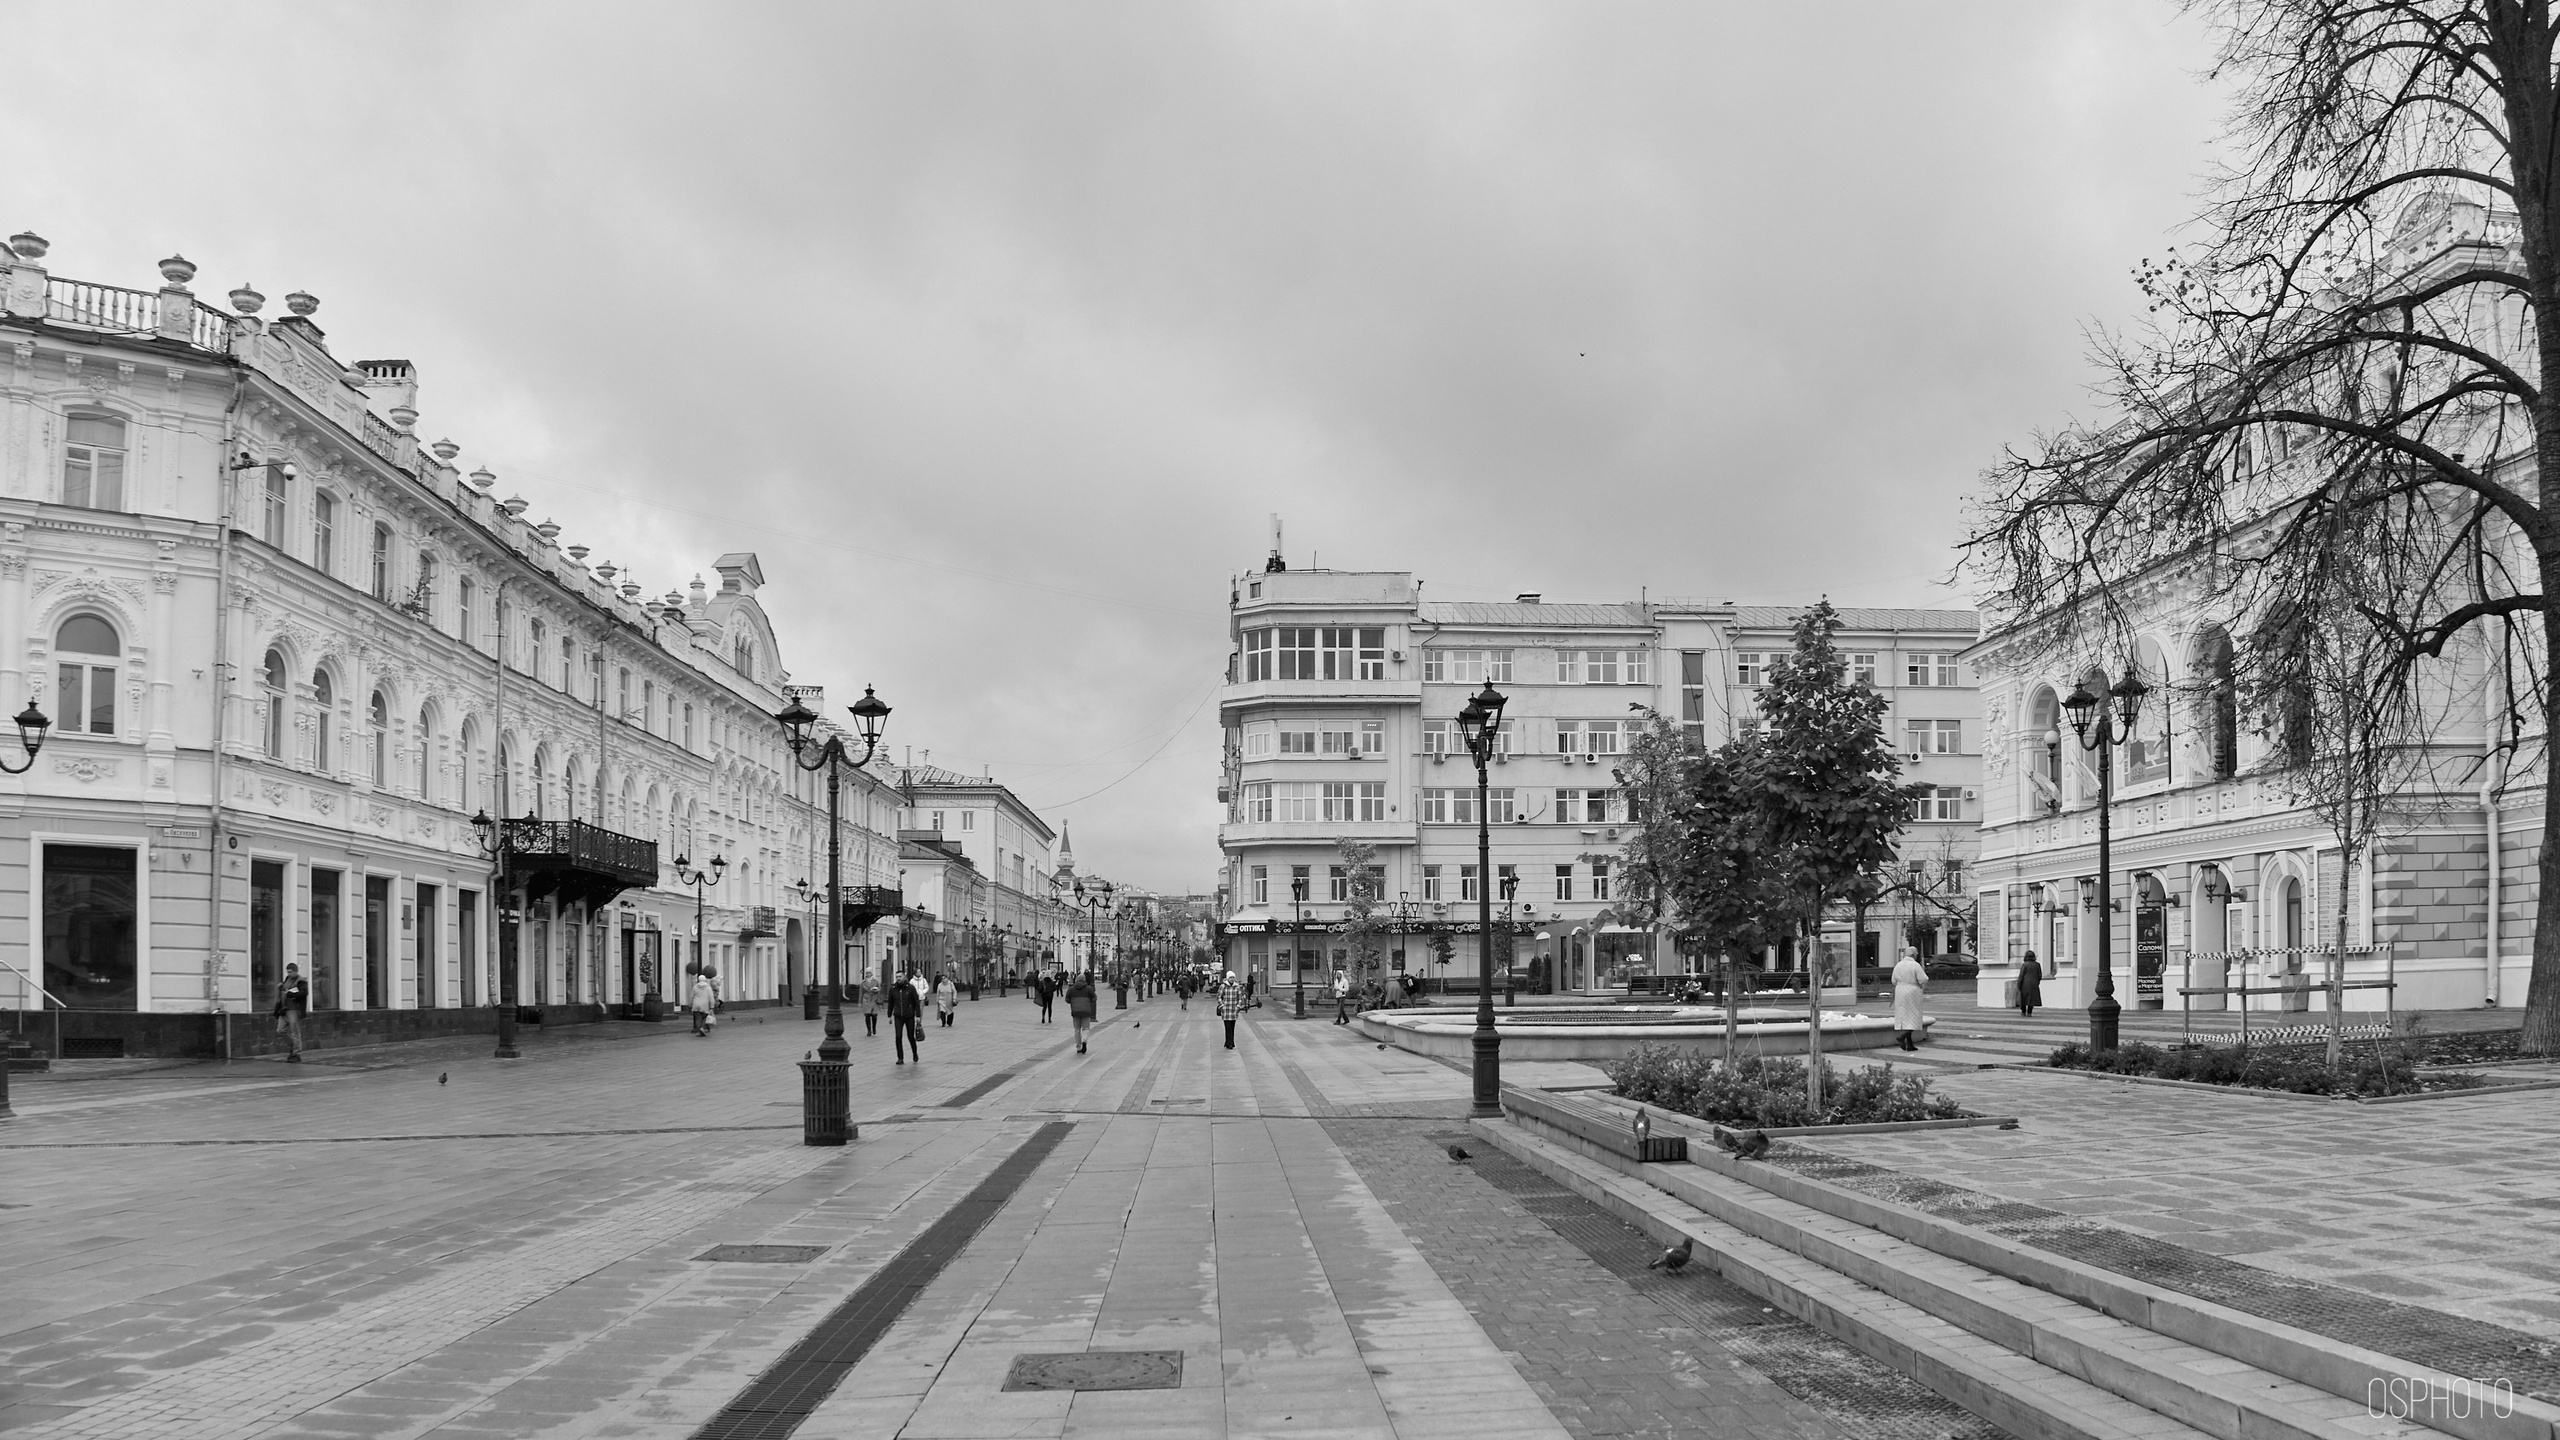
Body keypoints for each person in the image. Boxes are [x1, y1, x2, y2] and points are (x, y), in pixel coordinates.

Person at [1891, 946, 1929, 1052]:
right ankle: (1902, 1036)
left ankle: (1909, 1043)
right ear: (1913, 955)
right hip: (1912, 991)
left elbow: (1893, 980)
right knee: (1913, 1016)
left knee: (1904, 1016)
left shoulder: (1898, 965)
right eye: (1916, 954)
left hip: (1900, 991)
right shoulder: (1915, 965)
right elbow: (1923, 979)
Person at [272, 962, 309, 1063]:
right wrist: (282, 987)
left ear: (296, 971)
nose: (289, 974)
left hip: (294, 1010)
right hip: (284, 1009)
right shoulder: (287, 979)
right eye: (287, 972)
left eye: (290, 972)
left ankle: (296, 1053)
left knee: (295, 1032)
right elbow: (285, 990)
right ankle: (293, 1046)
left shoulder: (301, 981)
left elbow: (304, 993)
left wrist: (292, 993)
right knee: (280, 1030)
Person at [889, 965, 925, 1064]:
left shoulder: (910, 988)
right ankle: (900, 1057)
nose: (898, 979)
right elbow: (891, 1002)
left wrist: (918, 1015)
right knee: (898, 1036)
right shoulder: (893, 988)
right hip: (898, 1016)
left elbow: (916, 1002)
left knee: (910, 1036)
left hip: (909, 1016)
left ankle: (915, 1053)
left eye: (900, 976)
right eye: (896, 977)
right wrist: (889, 1016)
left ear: (904, 977)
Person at [1066, 969, 1099, 1054]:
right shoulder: (1089, 988)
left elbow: (1067, 999)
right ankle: (1084, 1041)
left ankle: (1078, 1047)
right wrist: (1089, 1001)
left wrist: (1073, 1002)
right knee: (1085, 1028)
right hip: (1086, 1011)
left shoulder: (1071, 989)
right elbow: (1094, 998)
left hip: (1075, 1011)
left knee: (1077, 1029)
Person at [1215, 969, 1246, 1050]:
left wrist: (1238, 1006)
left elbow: (1240, 998)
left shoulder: (1237, 987)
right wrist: (1222, 1006)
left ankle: (1229, 1042)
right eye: (1230, 977)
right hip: (1226, 1010)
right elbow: (1218, 997)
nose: (1232, 979)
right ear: (1227, 978)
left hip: (1234, 1010)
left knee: (1232, 1027)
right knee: (1227, 1026)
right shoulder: (1223, 986)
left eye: (1233, 977)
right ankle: (1230, 1043)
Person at [689, 969, 719, 1037]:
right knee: (704, 1018)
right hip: (705, 1005)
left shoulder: (695, 987)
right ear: (705, 980)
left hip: (696, 1004)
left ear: (698, 980)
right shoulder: (708, 988)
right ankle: (702, 1028)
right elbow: (711, 997)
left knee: (697, 1018)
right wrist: (712, 1005)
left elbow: (691, 997)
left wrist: (690, 1005)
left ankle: (699, 1029)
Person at [2017, 949, 2043, 1018]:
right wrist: (2037, 982)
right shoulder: (2037, 965)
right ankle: (2029, 1012)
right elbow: (2040, 975)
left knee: (2024, 998)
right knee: (2031, 999)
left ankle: (2023, 1012)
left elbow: (2021, 975)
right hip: (2034, 983)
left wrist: (2019, 984)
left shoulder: (2025, 965)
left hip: (2025, 984)